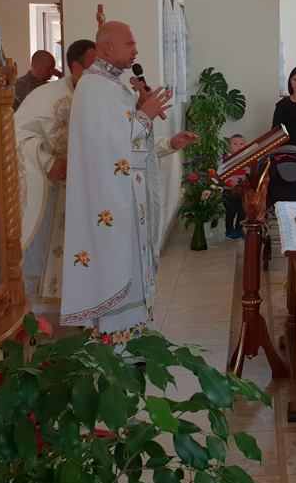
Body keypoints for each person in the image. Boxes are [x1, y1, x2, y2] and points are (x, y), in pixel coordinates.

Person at [61, 21, 199, 353]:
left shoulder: (114, 85)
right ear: (107, 47)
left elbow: (129, 143)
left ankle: (133, 345)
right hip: (111, 204)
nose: (136, 51)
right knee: (117, 269)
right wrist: (145, 114)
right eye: (130, 44)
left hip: (127, 201)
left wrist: (166, 140)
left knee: (132, 269)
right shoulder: (94, 87)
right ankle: (116, 352)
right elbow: (108, 146)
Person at [16, 38, 98, 322]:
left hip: (89, 191)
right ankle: (40, 316)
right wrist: (48, 162)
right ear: (76, 68)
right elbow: (14, 135)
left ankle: (84, 309)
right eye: (95, 68)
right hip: (49, 190)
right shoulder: (44, 96)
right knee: (44, 248)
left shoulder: (105, 96)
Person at [223, 134, 247, 241]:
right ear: (230, 148)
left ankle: (239, 229)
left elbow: (249, 174)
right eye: (235, 144)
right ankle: (229, 231)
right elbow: (222, 176)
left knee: (242, 211)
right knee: (231, 210)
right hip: (229, 190)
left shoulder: (247, 160)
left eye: (242, 144)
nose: (239, 146)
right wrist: (231, 183)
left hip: (242, 190)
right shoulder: (226, 161)